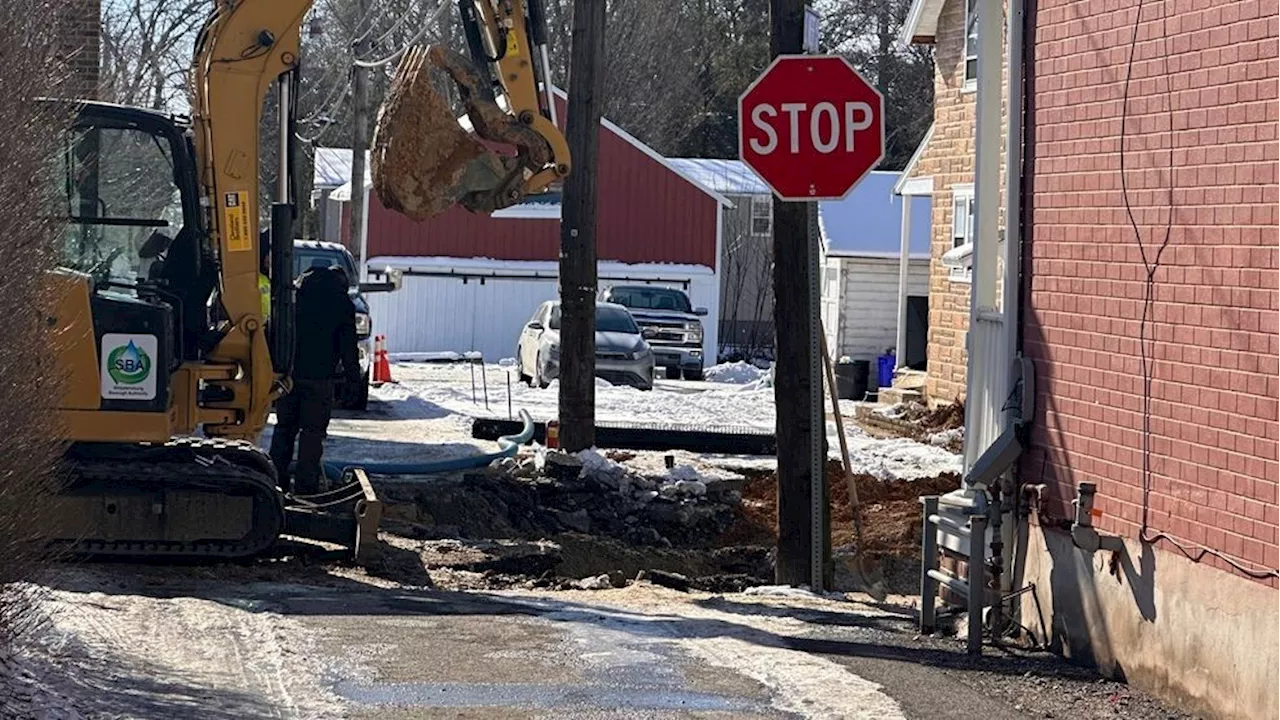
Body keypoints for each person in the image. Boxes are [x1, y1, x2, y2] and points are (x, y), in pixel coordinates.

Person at [269, 264, 361, 495]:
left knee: (284, 430)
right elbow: (348, 347)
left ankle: (274, 481)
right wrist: (353, 381)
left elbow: (275, 333)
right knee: (312, 435)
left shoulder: (295, 299)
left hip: (289, 377)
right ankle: (305, 488)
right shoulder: (342, 304)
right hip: (320, 379)